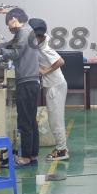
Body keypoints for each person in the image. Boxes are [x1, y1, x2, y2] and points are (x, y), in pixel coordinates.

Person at [0, 7, 43, 166]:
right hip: (32, 81)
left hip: (26, 82)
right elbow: (11, 43)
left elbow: (15, 53)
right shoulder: (26, 31)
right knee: (31, 120)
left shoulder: (24, 32)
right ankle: (33, 154)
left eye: (8, 23)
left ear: (14, 20)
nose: (8, 27)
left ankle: (26, 157)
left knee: (24, 121)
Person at [33, 18, 70, 159]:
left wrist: (44, 71)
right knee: (54, 119)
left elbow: (60, 61)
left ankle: (62, 150)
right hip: (54, 85)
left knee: (56, 120)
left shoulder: (45, 48)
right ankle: (61, 148)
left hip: (55, 86)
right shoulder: (40, 44)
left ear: (38, 36)